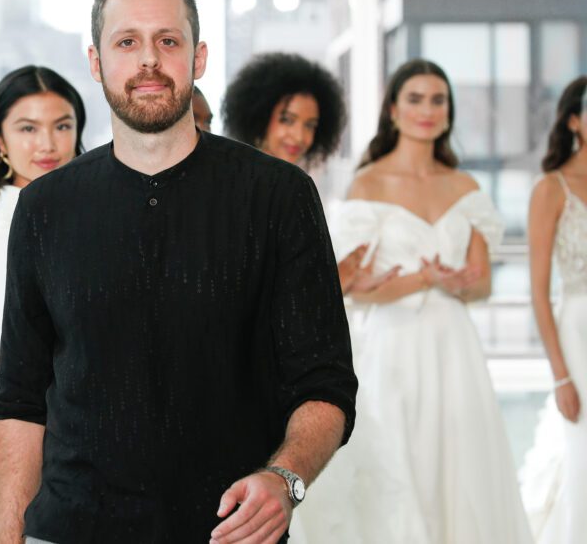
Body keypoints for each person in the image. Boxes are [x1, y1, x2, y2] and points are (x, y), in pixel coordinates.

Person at [0, 0, 357, 544]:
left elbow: (326, 384)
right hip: (70, 529)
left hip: (228, 532)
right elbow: (19, 402)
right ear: (97, 61)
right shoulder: (44, 209)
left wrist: (284, 478)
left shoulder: (280, 197)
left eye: (168, 41)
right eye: (127, 42)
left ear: (199, 57)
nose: (148, 61)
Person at [312, 58, 532, 543]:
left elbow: (482, 286)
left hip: (455, 347)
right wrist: (424, 280)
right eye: (415, 99)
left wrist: (456, 282)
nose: (427, 110)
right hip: (394, 347)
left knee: (463, 465)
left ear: (449, 112)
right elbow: (354, 286)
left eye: (438, 100)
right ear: (393, 109)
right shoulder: (368, 185)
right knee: (400, 463)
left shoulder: (466, 188)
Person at [0, 65, 86, 544]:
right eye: (27, 128)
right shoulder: (14, 217)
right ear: (0, 140)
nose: (48, 144)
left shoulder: (58, 207)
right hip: (39, 429)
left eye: (62, 126)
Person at [222, 52, 398, 295]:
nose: (299, 136)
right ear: (259, 117)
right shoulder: (237, 187)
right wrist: (335, 280)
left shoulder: (294, 188)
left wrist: (344, 285)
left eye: (309, 125)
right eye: (287, 120)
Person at [520, 76, 587, 543]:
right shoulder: (552, 188)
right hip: (579, 330)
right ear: (574, 120)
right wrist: (561, 376)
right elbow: (540, 293)